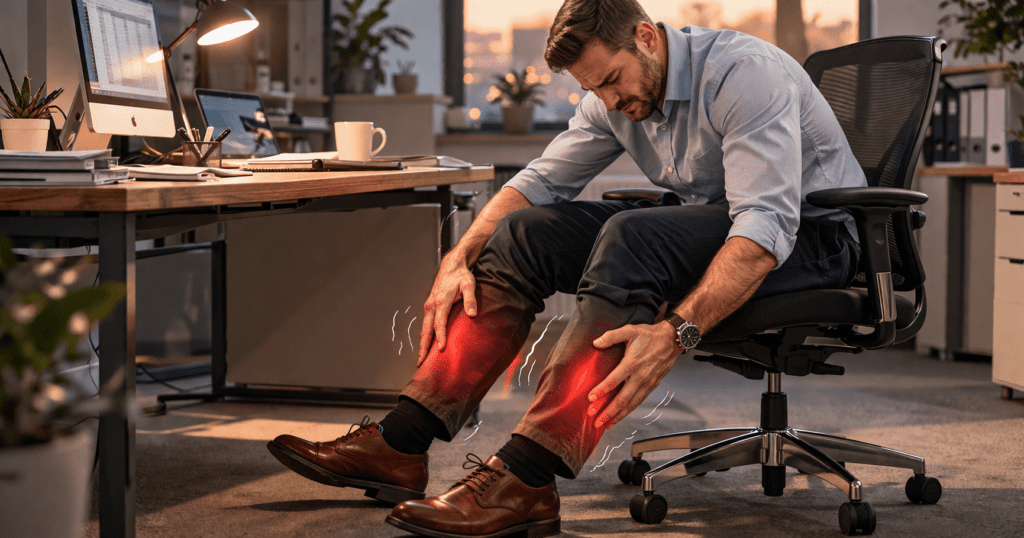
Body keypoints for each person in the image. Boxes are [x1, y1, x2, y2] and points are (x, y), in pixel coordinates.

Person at [266, 0, 866, 536]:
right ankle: (401, 442)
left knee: (633, 234)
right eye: (593, 90)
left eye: (611, 81)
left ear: (647, 38)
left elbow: (764, 231)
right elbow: (542, 181)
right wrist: (460, 254)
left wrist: (674, 333)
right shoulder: (613, 96)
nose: (609, 102)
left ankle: (527, 476)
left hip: (813, 238)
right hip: (724, 224)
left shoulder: (743, 74)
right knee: (526, 233)